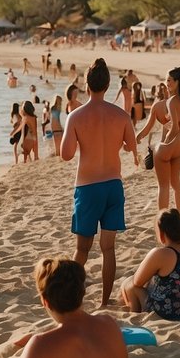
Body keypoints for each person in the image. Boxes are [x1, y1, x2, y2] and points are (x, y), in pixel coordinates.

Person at [60, 58, 136, 307]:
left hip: (88, 187)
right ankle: (104, 301)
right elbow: (131, 146)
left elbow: (66, 154)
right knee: (108, 248)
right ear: (107, 84)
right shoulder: (121, 115)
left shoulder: (75, 116)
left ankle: (68, 298)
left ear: (86, 84)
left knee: (82, 249)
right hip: (113, 185)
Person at [120, 208, 180, 320]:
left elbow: (137, 282)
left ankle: (135, 315)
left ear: (162, 234)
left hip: (167, 311)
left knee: (128, 285)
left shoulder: (161, 253)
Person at [136, 67, 180, 211]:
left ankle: (163, 218)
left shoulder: (165, 104)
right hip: (179, 144)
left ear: (177, 82)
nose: (166, 83)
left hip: (168, 145)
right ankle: (178, 214)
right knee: (176, 183)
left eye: (168, 80)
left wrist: (162, 143)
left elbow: (151, 128)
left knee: (163, 186)